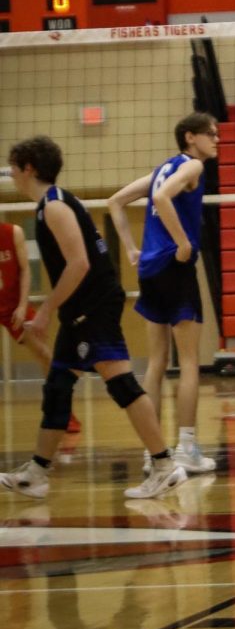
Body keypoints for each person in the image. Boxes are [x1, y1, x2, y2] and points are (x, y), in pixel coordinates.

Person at [0, 136, 186, 500]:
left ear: (29, 169)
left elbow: (80, 263)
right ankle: (37, 471)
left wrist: (46, 312)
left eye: (14, 168)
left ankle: (164, 465)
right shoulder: (50, 205)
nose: (12, 176)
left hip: (93, 305)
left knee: (121, 384)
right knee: (58, 385)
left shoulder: (54, 206)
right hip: (82, 308)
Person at [108, 112, 219, 475]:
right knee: (188, 362)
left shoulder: (162, 168)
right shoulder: (192, 168)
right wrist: (184, 241)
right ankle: (186, 447)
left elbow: (115, 202)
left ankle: (153, 453)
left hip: (150, 270)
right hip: (175, 266)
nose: (216, 140)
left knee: (156, 363)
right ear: (191, 138)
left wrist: (129, 248)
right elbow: (162, 197)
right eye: (211, 135)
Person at [0, 219, 81, 434]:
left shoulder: (12, 232)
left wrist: (22, 304)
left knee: (45, 355)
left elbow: (25, 270)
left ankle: (64, 414)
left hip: (12, 305)